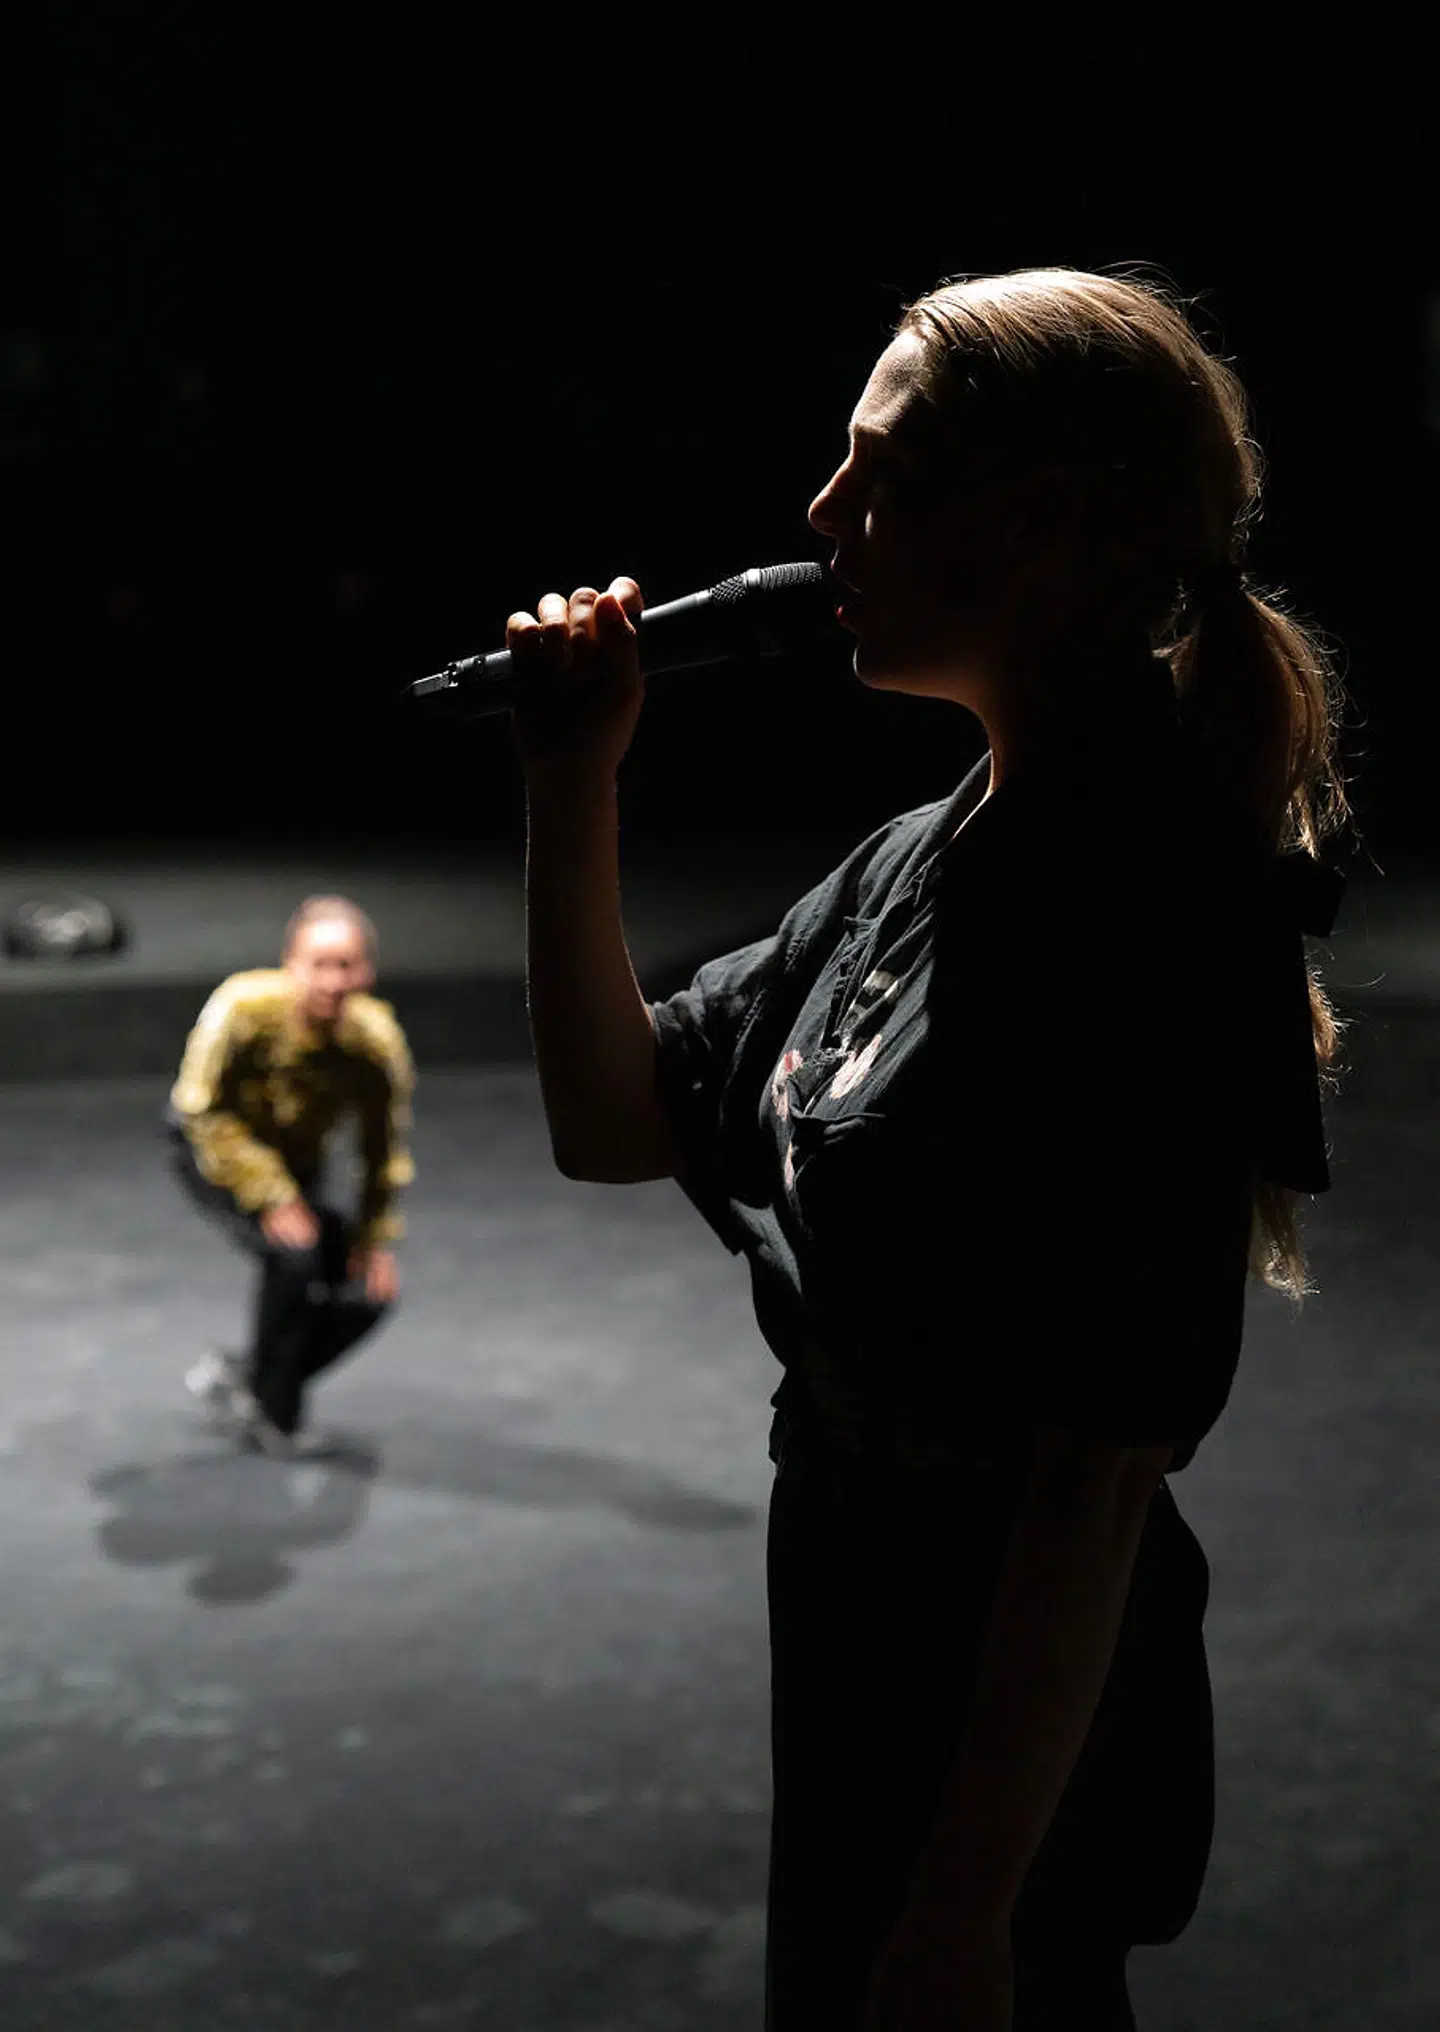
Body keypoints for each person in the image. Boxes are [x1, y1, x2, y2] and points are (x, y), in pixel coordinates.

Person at [505, 267, 1349, 2031]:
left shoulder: (1149, 906)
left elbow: (1095, 1471)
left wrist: (964, 1907)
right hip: (865, 1653)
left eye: (873, 470)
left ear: (1038, 522)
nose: (823, 517)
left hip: (1004, 1761)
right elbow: (612, 1118)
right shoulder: (922, 854)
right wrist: (571, 776)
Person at [165, 894, 414, 1460]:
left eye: (346, 965)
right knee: (295, 1258)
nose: (332, 980)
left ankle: (252, 1377)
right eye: (319, 963)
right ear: (290, 965)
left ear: (367, 973)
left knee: (365, 1294)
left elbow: (383, 1151)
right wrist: (272, 1196)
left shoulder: (374, 1044)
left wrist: (375, 1240)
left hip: (298, 1160)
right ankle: (275, 1413)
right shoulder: (242, 1008)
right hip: (211, 1148)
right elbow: (198, 1111)